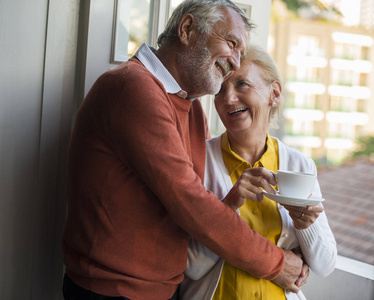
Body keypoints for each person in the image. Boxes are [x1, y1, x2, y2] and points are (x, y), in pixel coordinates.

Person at [62, 1, 305, 299]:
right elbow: (193, 205)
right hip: (114, 291)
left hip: (164, 288)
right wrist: (277, 264)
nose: (234, 60)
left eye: (241, 52)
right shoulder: (134, 87)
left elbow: (203, 205)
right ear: (187, 29)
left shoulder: (191, 108)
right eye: (231, 43)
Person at [179, 43, 337, 300]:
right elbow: (191, 266)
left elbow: (324, 265)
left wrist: (305, 225)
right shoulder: (197, 158)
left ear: (273, 93)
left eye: (242, 84)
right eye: (220, 89)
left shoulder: (300, 166)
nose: (228, 98)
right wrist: (227, 206)